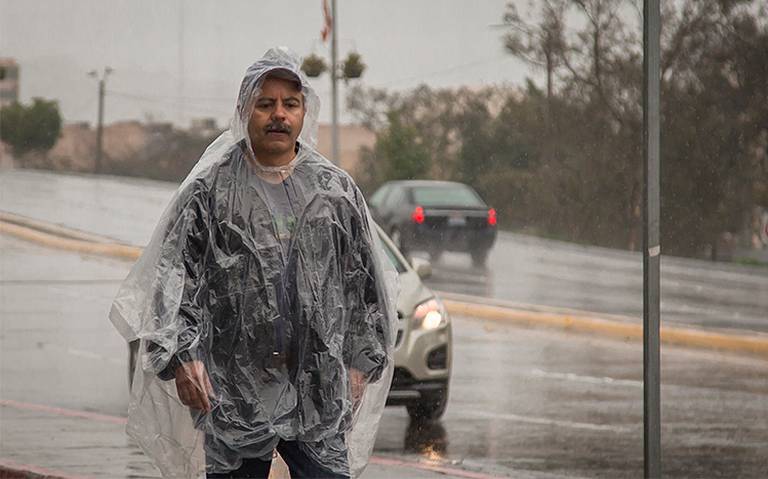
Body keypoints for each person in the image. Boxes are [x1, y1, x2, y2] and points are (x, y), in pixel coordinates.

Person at [110, 47, 397, 479]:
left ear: (305, 113)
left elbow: (366, 288)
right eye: (265, 104)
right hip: (234, 393)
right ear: (245, 110)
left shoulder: (335, 193)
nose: (278, 115)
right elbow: (172, 282)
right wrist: (182, 358)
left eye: (290, 104)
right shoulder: (210, 190)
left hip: (318, 392)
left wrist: (361, 362)